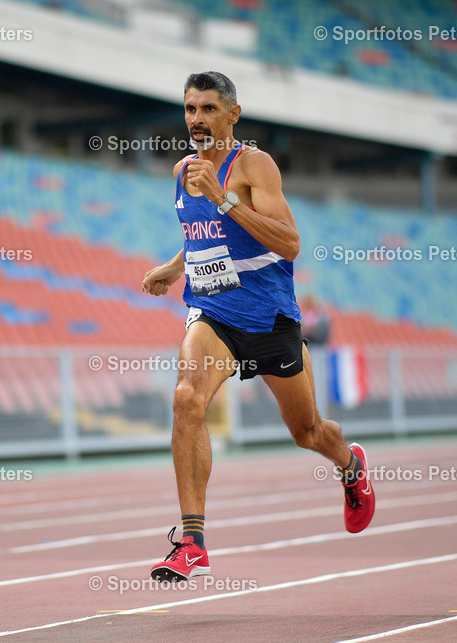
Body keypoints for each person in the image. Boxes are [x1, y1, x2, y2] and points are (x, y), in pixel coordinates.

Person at [141, 71, 375, 582]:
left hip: (270, 321)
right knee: (186, 398)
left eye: (207, 109)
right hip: (214, 315)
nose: (196, 120)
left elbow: (289, 243)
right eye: (189, 109)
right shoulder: (183, 170)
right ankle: (192, 543)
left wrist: (226, 198)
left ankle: (350, 466)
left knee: (308, 432)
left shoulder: (253, 165)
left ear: (232, 115)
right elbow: (208, 239)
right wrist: (174, 267)